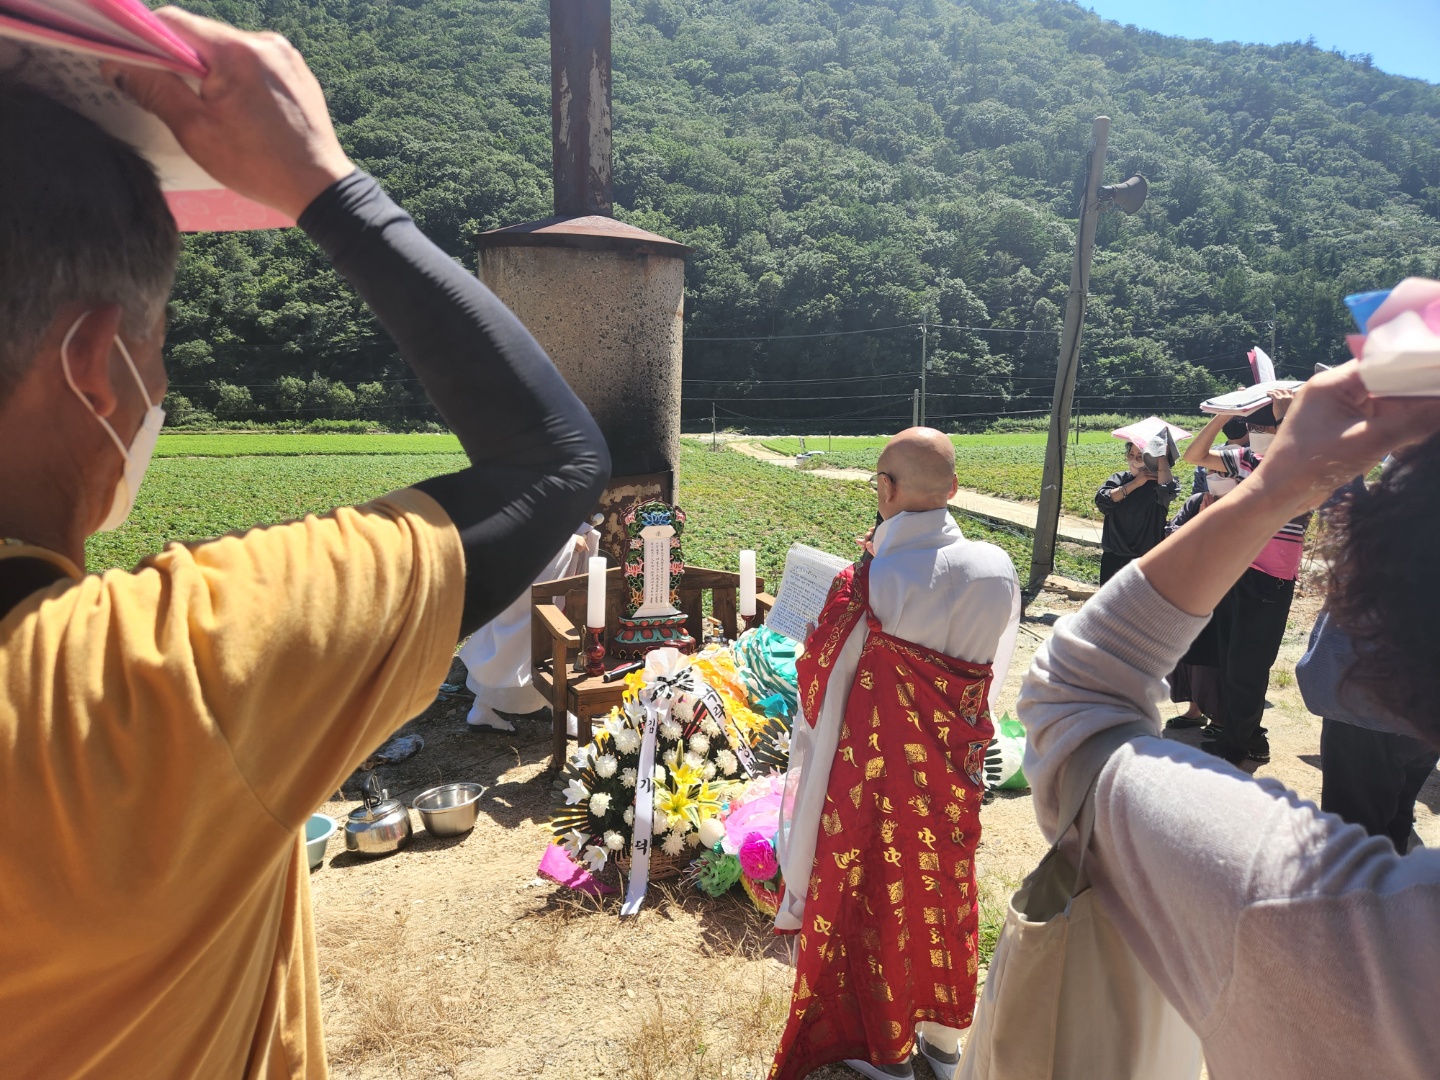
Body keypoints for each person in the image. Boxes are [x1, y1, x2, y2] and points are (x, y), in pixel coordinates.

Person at [0, 11, 609, 1077]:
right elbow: (553, 462)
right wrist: (329, 186)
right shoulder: (142, 677)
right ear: (97, 366)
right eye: (159, 344)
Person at [1016, 314, 1440, 1078]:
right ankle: (1232, 729)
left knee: (1275, 705)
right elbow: (1175, 472)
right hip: (1253, 580)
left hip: (1267, 587)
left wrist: (1281, 483)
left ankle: (1241, 735)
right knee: (1238, 677)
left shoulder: (1308, 906)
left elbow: (1075, 691)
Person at [771, 428, 1021, 1080]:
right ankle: (943, 1040)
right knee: (943, 896)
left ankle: (883, 1049)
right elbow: (992, 673)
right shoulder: (997, 569)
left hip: (876, 779)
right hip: (953, 775)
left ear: (885, 488)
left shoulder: (870, 582)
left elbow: (820, 688)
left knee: (877, 897)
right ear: (954, 489)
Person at [1297, 469, 1439, 852]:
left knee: (1354, 840)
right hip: (1423, 714)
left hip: (1367, 710)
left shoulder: (1384, 528)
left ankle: (1365, 889)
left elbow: (1335, 478)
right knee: (1395, 818)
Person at [1181, 389, 1305, 764]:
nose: (1256, 432)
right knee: (1232, 661)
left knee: (1248, 665)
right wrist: (1224, 415)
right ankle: (1249, 736)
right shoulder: (1244, 458)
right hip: (1234, 569)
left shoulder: (1300, 463)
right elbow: (1194, 456)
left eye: (1263, 426)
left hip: (1271, 578)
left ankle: (1236, 744)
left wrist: (1286, 418)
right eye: (1252, 426)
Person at [459, 518, 598, 731]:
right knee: (528, 637)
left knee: (518, 640)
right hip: (526, 567)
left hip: (524, 566)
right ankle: (561, 715)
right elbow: (527, 523)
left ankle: (482, 708)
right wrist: (569, 541)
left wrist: (579, 530)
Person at [1162, 468, 1237, 730]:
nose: (1216, 477)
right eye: (1213, 471)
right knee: (1189, 649)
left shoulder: (1243, 506)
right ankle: (1195, 710)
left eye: (1224, 472)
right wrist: (1202, 520)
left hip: (1225, 591)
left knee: (1214, 653)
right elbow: (1171, 535)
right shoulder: (1196, 502)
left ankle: (1218, 716)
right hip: (1190, 587)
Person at [1095, 438, 1179, 584]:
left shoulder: (1158, 485)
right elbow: (1103, 499)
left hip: (1146, 560)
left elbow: (1169, 490)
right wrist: (1135, 483)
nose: (1134, 460)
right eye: (1131, 455)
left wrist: (1161, 455)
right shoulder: (1119, 479)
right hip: (1114, 557)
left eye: (1140, 456)